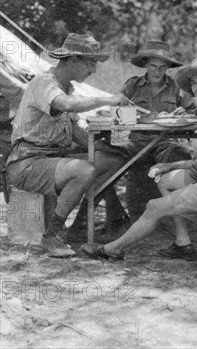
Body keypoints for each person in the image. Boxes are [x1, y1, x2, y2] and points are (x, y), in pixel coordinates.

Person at [81, 55, 197, 260]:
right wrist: (169, 166)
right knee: (164, 179)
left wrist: (184, 194)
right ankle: (183, 242)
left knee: (153, 207)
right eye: (193, 82)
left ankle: (112, 249)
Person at [5, 33, 130, 257]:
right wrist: (108, 99)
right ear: (72, 60)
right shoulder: (45, 83)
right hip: (26, 163)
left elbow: (78, 135)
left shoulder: (67, 88)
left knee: (114, 160)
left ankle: (79, 225)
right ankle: (52, 235)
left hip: (49, 162)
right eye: (90, 63)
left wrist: (109, 146)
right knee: (85, 170)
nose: (93, 70)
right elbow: (66, 105)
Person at [108, 41, 194, 220]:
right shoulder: (132, 85)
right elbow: (115, 114)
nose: (157, 71)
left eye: (162, 67)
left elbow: (192, 110)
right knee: (106, 162)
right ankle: (109, 220)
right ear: (145, 64)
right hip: (136, 142)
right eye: (153, 66)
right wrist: (139, 118)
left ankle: (179, 219)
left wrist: (184, 111)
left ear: (168, 68)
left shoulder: (176, 87)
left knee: (182, 156)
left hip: (166, 142)